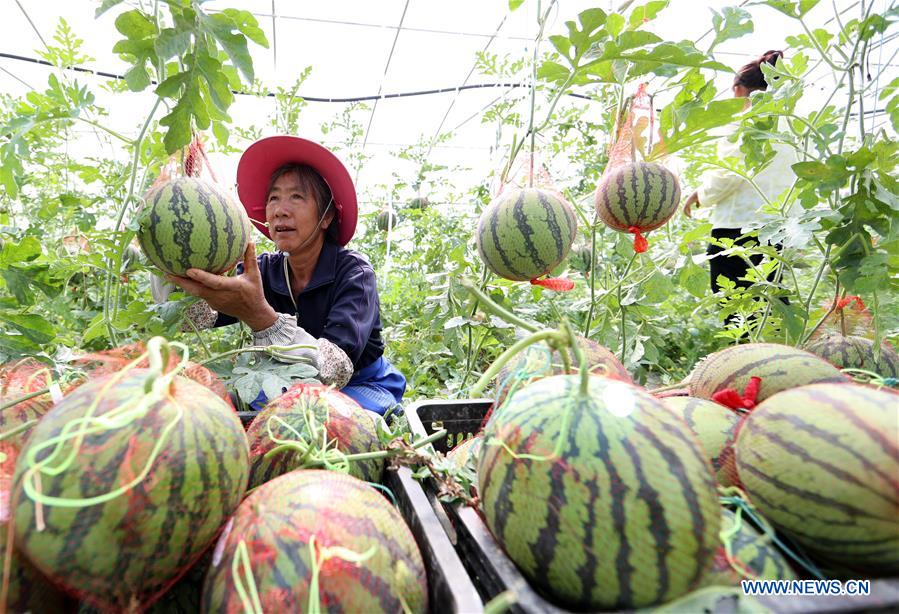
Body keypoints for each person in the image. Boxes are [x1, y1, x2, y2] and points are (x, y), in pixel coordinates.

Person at [153, 136, 406, 416]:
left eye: (296, 197)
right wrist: (165, 248)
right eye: (274, 198)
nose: (279, 210)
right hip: (291, 385)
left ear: (327, 216)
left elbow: (335, 370)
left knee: (335, 421)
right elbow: (193, 317)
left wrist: (261, 317)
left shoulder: (354, 273)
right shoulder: (264, 270)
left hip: (361, 385)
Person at [683, 50, 796, 309]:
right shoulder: (791, 125)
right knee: (771, 309)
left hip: (736, 230)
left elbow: (729, 173)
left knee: (739, 312)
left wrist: (700, 194)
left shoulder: (744, 123)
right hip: (777, 229)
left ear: (737, 90)